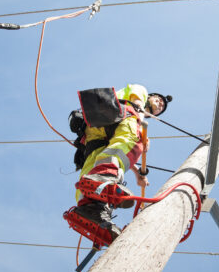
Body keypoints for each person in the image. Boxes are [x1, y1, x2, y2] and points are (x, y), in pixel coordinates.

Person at [73, 84, 170, 240]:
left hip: (96, 125)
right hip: (121, 114)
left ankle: (90, 207)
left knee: (93, 165)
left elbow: (116, 150)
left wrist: (137, 173)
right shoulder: (141, 92)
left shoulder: (134, 106)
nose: (159, 104)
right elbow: (127, 140)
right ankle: (104, 179)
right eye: (158, 100)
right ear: (149, 96)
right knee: (134, 140)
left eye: (161, 107)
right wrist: (139, 128)